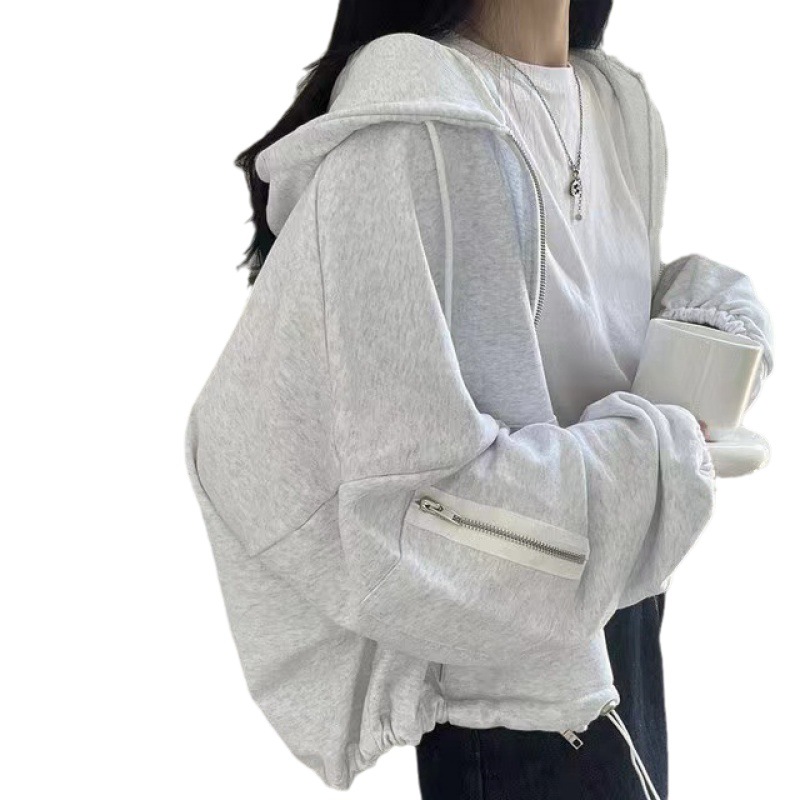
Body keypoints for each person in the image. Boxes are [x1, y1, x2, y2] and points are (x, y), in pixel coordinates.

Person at [184, 2, 774, 798]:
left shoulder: (618, 105)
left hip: (625, 618)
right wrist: (651, 459)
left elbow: (596, 335)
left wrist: (702, 334)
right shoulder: (406, 132)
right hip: (505, 688)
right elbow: (400, 501)